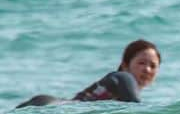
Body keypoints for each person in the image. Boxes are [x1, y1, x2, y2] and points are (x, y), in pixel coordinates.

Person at [15, 39, 162, 108]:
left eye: (153, 66)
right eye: (141, 63)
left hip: (45, 104)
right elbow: (137, 111)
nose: (147, 69)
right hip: (51, 107)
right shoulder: (124, 77)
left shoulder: (120, 88)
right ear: (125, 65)